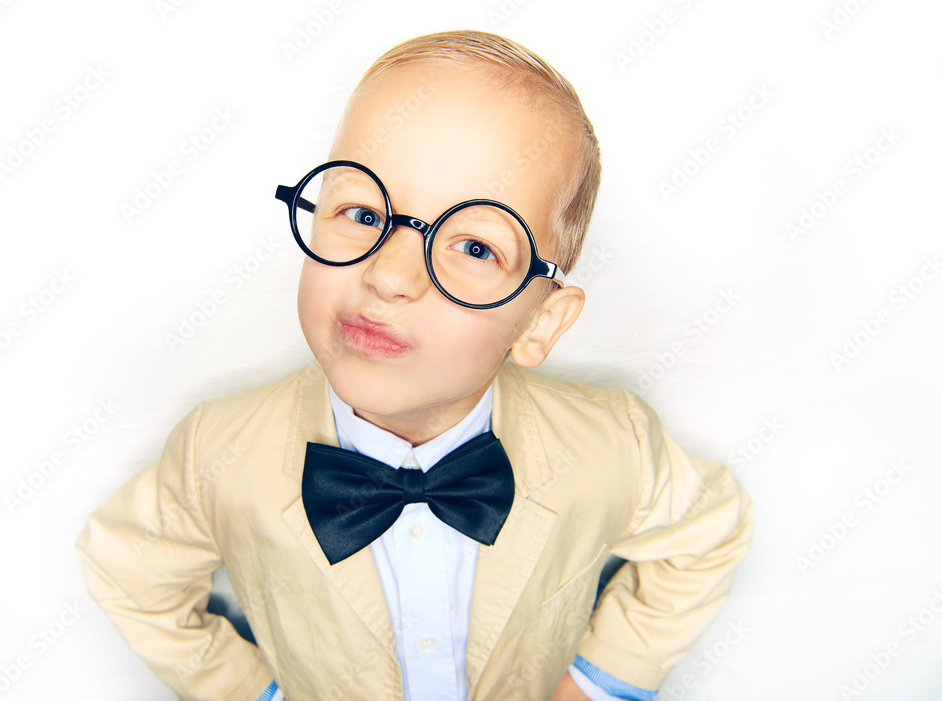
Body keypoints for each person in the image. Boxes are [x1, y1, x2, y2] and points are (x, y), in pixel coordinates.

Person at [76, 30, 753, 701]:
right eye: (364, 211)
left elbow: (710, 530)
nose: (390, 274)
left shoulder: (614, 444)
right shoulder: (217, 451)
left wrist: (601, 682)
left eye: (475, 247)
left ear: (539, 321)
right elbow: (125, 565)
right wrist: (247, 691)